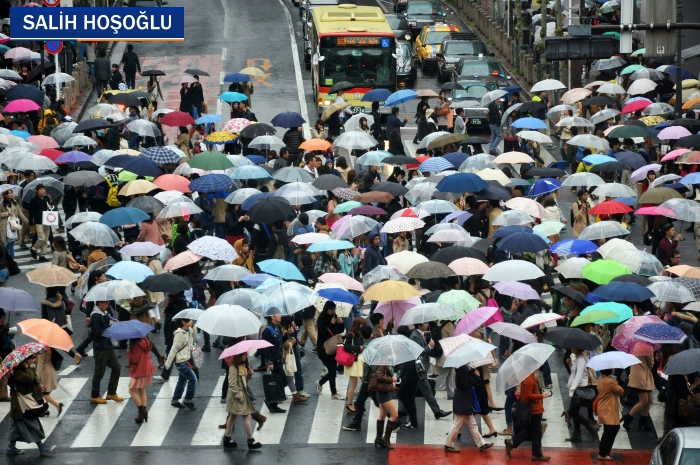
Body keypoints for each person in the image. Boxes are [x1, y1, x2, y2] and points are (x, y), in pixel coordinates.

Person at [6, 353, 56, 456]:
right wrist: (28, 368)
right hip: (21, 405)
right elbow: (28, 378)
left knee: (17, 427)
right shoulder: (17, 372)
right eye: (30, 359)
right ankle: (41, 447)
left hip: (23, 404)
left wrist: (39, 384)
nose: (32, 360)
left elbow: (32, 379)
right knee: (33, 425)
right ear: (23, 361)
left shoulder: (22, 370)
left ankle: (11, 446)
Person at [445, 365, 494, 453]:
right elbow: (466, 384)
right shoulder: (463, 369)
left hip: (464, 400)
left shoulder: (462, 368)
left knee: (472, 424)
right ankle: (448, 445)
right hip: (463, 400)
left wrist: (473, 374)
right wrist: (475, 375)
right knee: (457, 424)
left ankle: (481, 444)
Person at [505, 370, 552, 461]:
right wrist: (542, 395)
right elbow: (527, 396)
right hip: (533, 409)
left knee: (532, 430)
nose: (538, 367)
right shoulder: (528, 379)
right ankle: (536, 453)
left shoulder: (531, 377)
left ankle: (512, 442)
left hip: (535, 408)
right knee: (536, 431)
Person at [223, 352, 262, 450]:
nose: (245, 356)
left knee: (233, 416)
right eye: (243, 355)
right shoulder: (233, 367)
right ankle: (251, 440)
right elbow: (232, 384)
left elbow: (245, 382)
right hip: (237, 396)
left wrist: (249, 375)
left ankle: (227, 438)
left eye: (245, 355)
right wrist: (238, 396)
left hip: (241, 394)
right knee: (247, 416)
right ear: (238, 356)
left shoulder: (242, 366)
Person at [89, 300, 123, 405]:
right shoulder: (95, 316)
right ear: (98, 304)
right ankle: (94, 395)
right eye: (104, 303)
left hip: (108, 346)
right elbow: (96, 333)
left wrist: (113, 322)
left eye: (107, 304)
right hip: (100, 347)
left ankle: (111, 393)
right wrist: (110, 327)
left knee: (117, 367)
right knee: (99, 372)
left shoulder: (105, 314)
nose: (106, 305)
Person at [564, 348, 598, 442]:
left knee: (572, 412)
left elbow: (578, 376)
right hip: (581, 388)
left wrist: (572, 390)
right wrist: (570, 364)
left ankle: (590, 426)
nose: (570, 348)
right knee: (575, 411)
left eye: (572, 347)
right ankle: (577, 434)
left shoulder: (580, 360)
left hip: (580, 388)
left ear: (577, 348)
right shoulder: (582, 358)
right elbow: (577, 373)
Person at [164, 318, 197, 410]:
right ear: (183, 322)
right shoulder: (179, 334)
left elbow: (194, 339)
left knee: (182, 381)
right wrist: (168, 363)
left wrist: (194, 328)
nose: (191, 321)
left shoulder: (190, 330)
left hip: (187, 359)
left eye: (191, 320)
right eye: (189, 321)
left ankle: (175, 400)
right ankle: (188, 400)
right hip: (181, 362)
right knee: (193, 380)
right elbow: (174, 348)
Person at [316, 301, 345, 399]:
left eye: (334, 310)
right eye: (331, 310)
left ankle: (333, 392)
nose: (332, 312)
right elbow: (323, 333)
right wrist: (331, 324)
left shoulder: (335, 317)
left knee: (333, 371)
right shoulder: (321, 318)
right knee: (332, 371)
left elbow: (340, 331)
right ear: (326, 309)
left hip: (334, 347)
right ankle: (325, 386)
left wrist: (341, 323)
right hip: (324, 348)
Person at [126, 334, 156, 423]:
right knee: (142, 390)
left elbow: (135, 359)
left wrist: (129, 352)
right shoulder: (145, 340)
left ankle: (142, 411)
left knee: (132, 390)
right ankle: (142, 413)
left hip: (140, 369)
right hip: (147, 368)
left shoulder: (137, 343)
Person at [596, 368, 624, 460]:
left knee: (610, 429)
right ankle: (602, 453)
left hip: (604, 407)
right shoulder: (610, 381)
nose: (614, 369)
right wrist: (615, 381)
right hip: (609, 408)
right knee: (611, 430)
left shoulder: (601, 379)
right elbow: (621, 391)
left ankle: (607, 450)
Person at [621, 352, 654, 431]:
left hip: (641, 375)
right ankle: (628, 418)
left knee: (649, 399)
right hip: (641, 377)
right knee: (644, 400)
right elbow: (651, 364)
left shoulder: (635, 347)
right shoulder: (647, 349)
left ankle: (644, 420)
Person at [370, 364, 400, 449]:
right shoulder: (382, 363)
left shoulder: (385, 363)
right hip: (383, 393)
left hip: (383, 392)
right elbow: (379, 377)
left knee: (382, 415)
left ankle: (379, 438)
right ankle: (386, 438)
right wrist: (391, 379)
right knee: (394, 415)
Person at [343, 317, 365, 415]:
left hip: (360, 360)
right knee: (355, 383)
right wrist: (358, 348)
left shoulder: (360, 334)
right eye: (361, 324)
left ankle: (357, 403)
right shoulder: (350, 334)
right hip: (354, 361)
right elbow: (346, 347)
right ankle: (350, 404)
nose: (363, 326)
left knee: (363, 383)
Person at [28, 184, 53, 262]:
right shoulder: (34, 200)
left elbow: (50, 208)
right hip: (38, 221)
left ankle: (43, 255)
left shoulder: (46, 198)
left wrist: (50, 207)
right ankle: (33, 249)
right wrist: (31, 221)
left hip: (47, 220)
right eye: (41, 189)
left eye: (44, 189)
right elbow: (31, 211)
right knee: (41, 238)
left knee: (45, 239)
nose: (43, 191)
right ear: (37, 191)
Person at [0, 188, 26, 258]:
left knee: (11, 242)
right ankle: (11, 258)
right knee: (9, 243)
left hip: (13, 225)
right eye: (9, 193)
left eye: (11, 192)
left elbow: (20, 213)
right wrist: (7, 213)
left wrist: (26, 221)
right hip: (5, 226)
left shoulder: (14, 202)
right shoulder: (2, 204)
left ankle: (6, 256)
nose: (11, 194)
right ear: (5, 195)